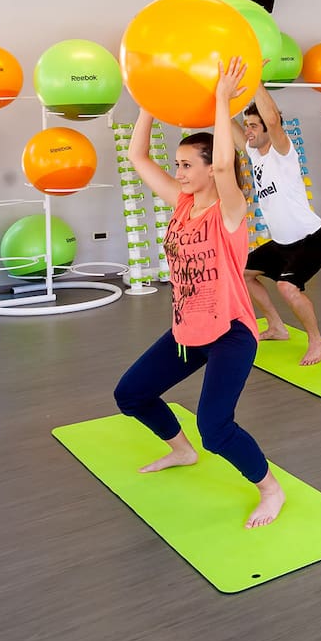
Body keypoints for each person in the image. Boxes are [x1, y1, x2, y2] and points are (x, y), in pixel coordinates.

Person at [117, 59, 284, 529]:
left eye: (188, 165)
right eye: (179, 165)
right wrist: (148, 104)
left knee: (216, 427)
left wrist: (220, 99)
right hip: (188, 329)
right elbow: (137, 158)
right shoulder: (182, 203)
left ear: (213, 170)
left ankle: (270, 489)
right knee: (131, 394)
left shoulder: (232, 211)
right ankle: (180, 451)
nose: (181, 172)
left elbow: (229, 161)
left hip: (230, 332)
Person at [227, 84, 321, 366]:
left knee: (288, 288)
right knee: (243, 272)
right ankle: (277, 326)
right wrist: (218, 98)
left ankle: (317, 342)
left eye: (253, 125)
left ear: (267, 128)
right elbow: (228, 123)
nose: (248, 130)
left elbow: (272, 118)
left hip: (312, 239)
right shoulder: (254, 154)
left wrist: (253, 81)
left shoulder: (282, 152)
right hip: (282, 244)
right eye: (246, 125)